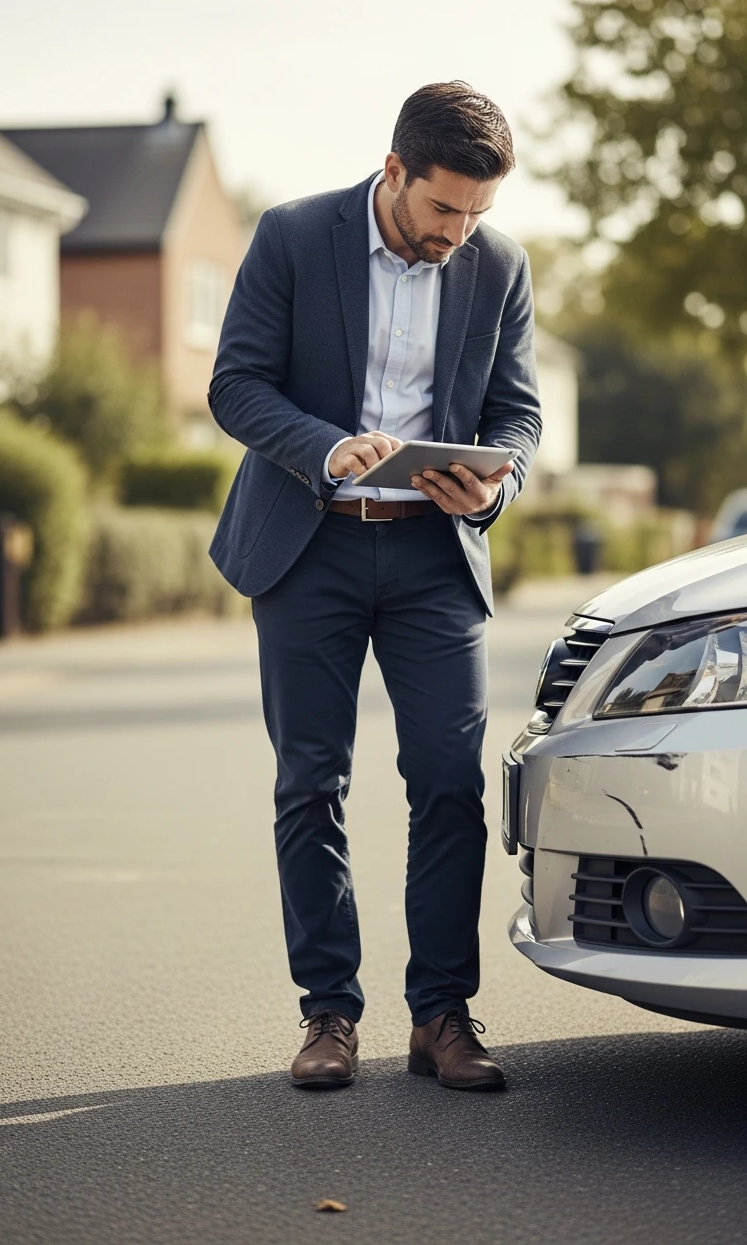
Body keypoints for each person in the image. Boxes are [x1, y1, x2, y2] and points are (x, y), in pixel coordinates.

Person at [208, 81, 541, 1092]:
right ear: (394, 170)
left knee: (449, 782)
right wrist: (326, 448)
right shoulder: (293, 235)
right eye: (445, 208)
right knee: (312, 780)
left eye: (477, 213)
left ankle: (442, 1013)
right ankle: (329, 1014)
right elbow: (236, 383)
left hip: (435, 554)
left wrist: (492, 483)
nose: (459, 231)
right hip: (308, 547)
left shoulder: (501, 263)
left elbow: (519, 412)